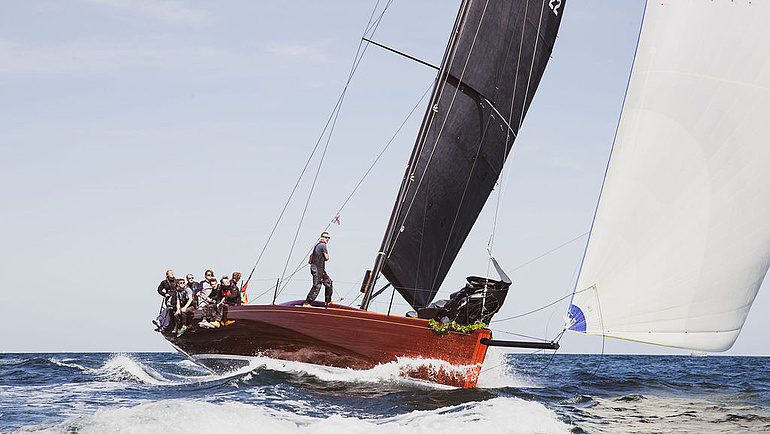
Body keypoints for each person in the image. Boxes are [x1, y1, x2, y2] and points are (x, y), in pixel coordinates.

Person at [304, 232, 333, 307]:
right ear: (321, 237)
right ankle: (307, 303)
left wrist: (310, 261)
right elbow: (326, 258)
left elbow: (311, 255)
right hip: (317, 269)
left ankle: (328, 301)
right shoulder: (323, 245)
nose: (327, 239)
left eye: (328, 238)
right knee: (317, 285)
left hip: (320, 269)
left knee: (329, 283)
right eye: (325, 237)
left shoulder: (317, 245)